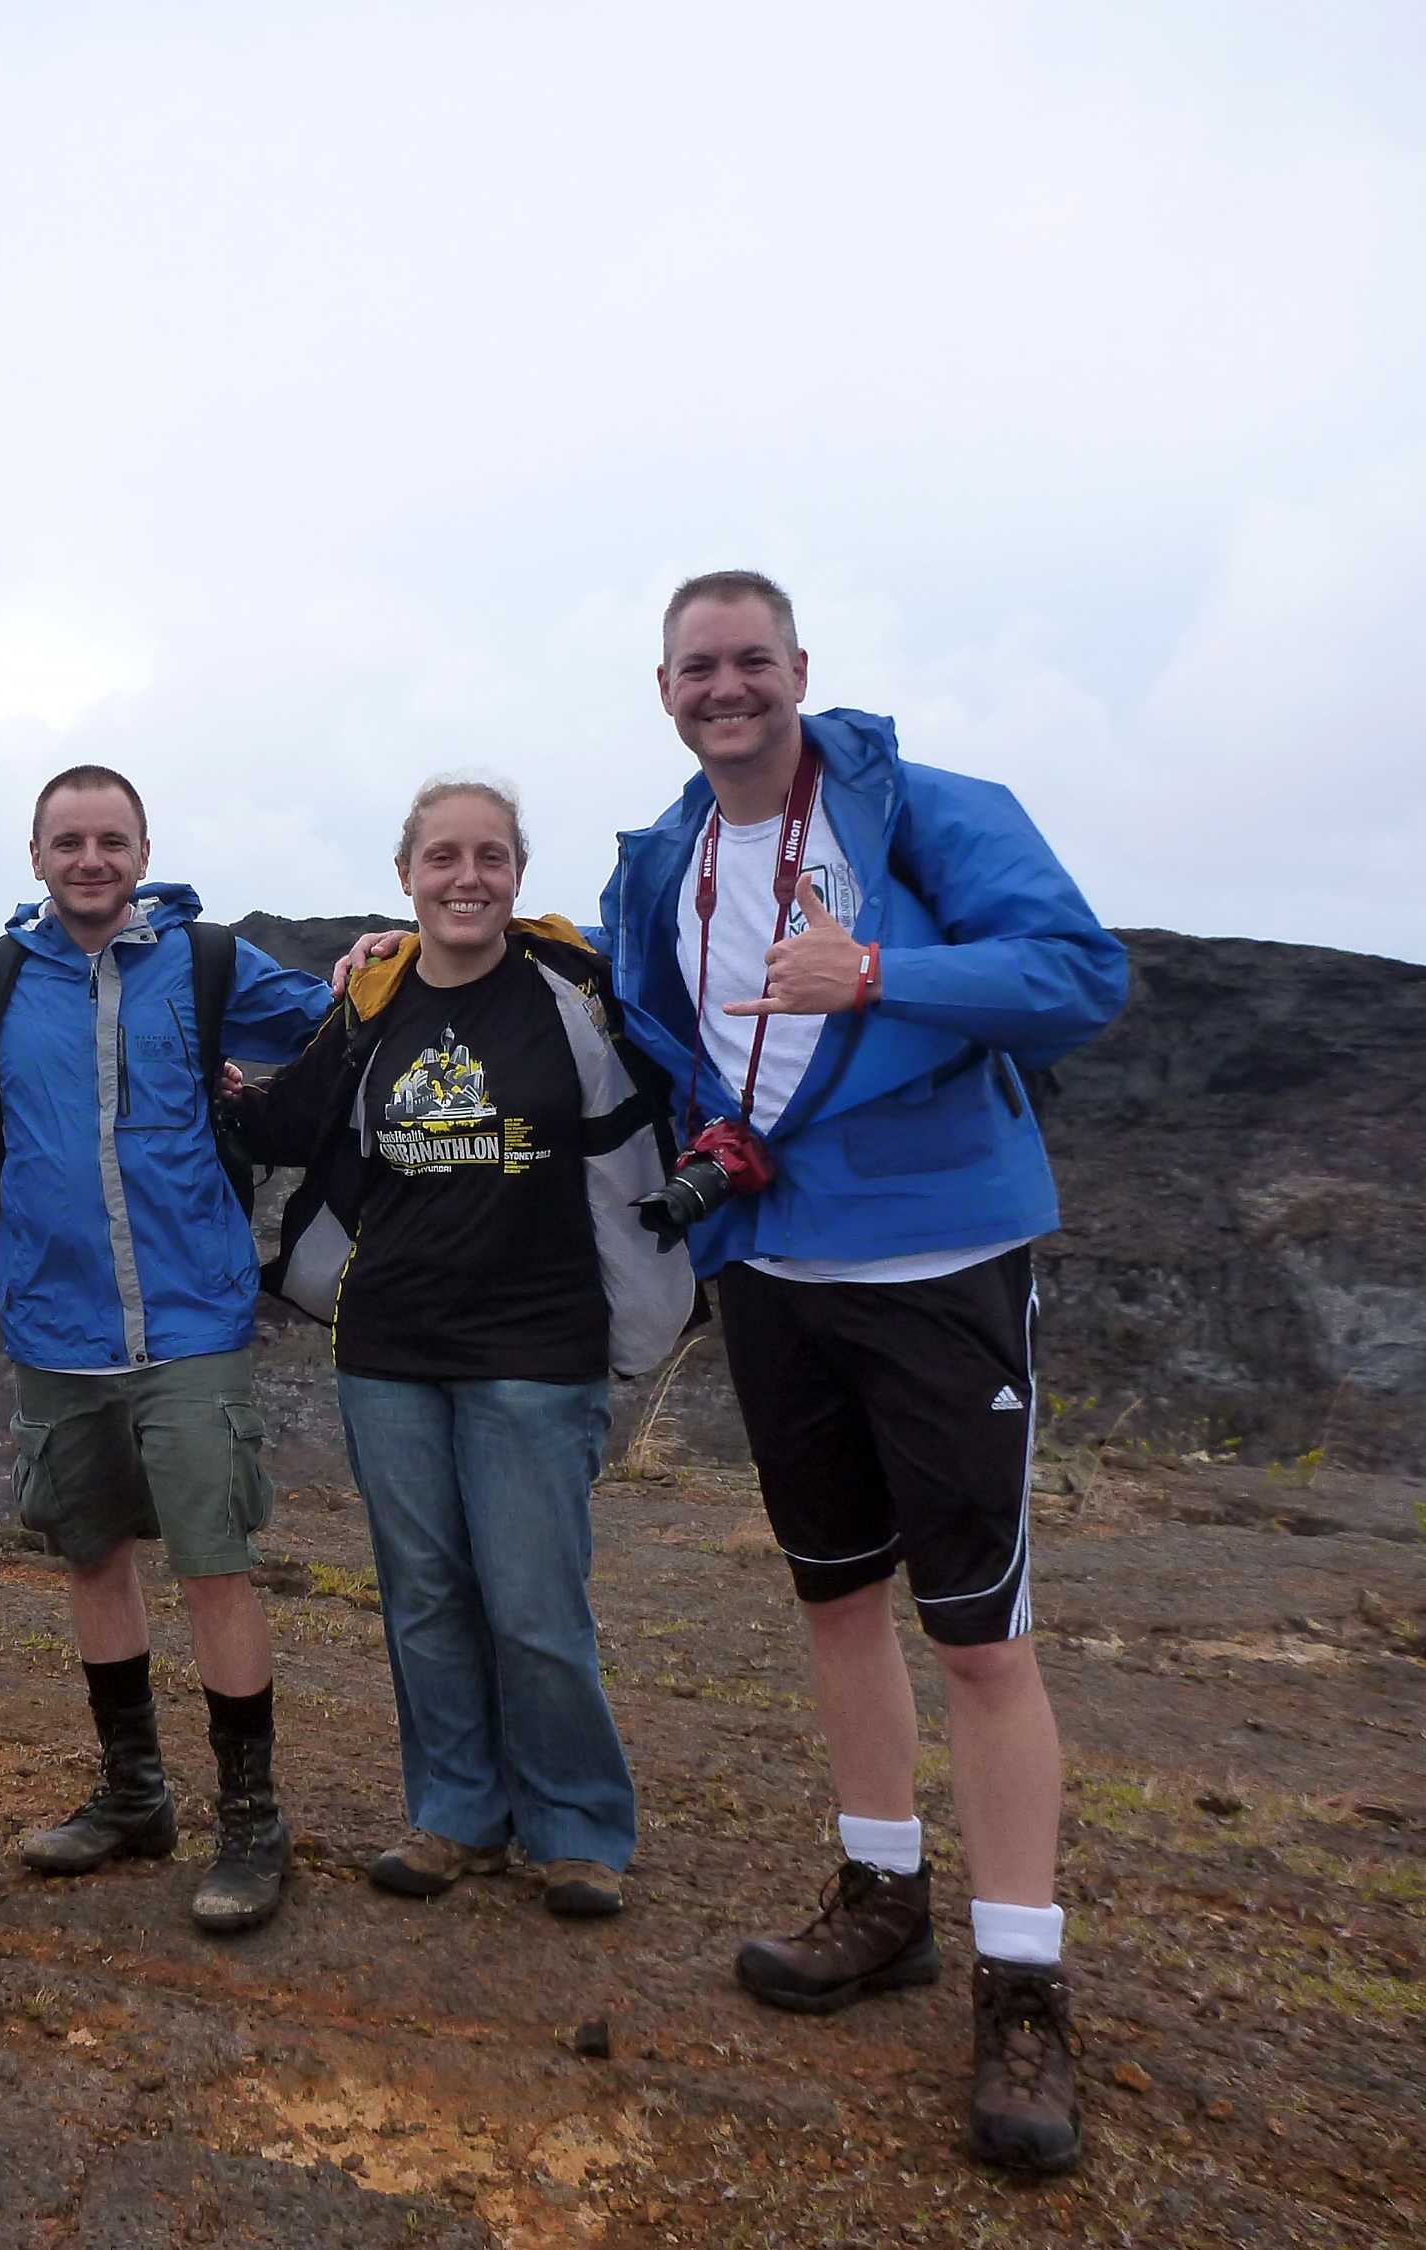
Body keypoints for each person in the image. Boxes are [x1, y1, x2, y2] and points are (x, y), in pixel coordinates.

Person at [604, 571, 1127, 2172]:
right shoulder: (665, 862)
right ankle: (881, 1892)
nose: (726, 688)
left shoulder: (926, 812)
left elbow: (1077, 974)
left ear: (799, 669)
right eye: (699, 667)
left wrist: (883, 975)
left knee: (979, 1639)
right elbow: (671, 1030)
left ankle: (1023, 1987)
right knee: (834, 1598)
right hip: (772, 1268)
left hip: (937, 1265)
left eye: (751, 660)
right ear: (666, 688)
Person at [0, 765, 332, 1933]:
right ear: (36, 856)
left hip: (190, 1315)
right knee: (91, 1555)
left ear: (143, 848)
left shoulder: (209, 964)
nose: (91, 858)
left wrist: (379, 957)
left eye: (110, 839)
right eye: (69, 840)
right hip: (57, 1322)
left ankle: (251, 1822)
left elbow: (339, 1014)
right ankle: (135, 1794)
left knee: (213, 1563)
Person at [241, 778, 690, 1924]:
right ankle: (452, 1816)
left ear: (519, 873)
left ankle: (576, 1829)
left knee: (536, 1605)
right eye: (443, 858)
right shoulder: (373, 1000)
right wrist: (206, 1081)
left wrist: (647, 1319)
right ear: (406, 875)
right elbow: (292, 1126)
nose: (466, 878)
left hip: (538, 1348)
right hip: (388, 1343)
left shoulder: (570, 994)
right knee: (425, 1597)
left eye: (490, 857)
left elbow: (645, 1114)